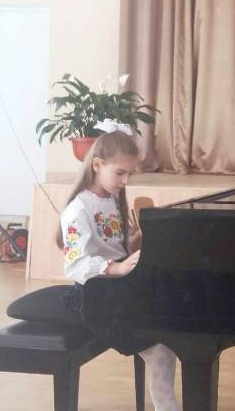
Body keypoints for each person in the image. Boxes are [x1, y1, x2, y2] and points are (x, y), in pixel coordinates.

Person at [57, 127, 181, 411]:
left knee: (170, 333)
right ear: (97, 165)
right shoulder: (78, 209)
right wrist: (117, 268)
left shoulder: (111, 200)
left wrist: (134, 243)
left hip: (119, 288)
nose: (125, 181)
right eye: (120, 173)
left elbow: (112, 245)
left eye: (130, 174)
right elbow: (76, 264)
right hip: (94, 296)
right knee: (160, 347)